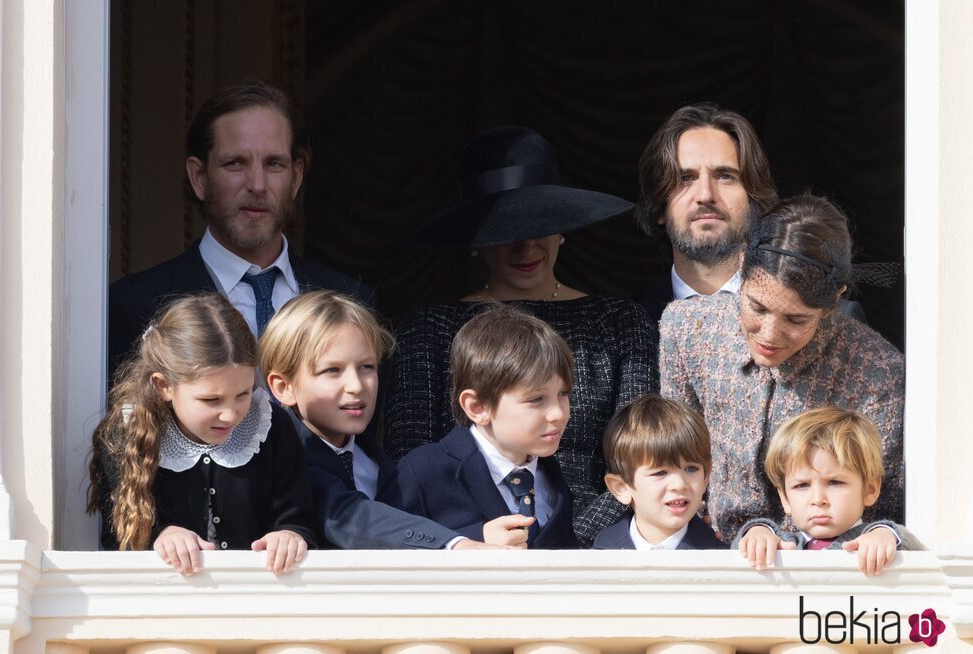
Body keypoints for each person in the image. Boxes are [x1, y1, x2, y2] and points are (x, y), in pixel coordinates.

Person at [385, 125, 658, 546]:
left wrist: (564, 540)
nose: (525, 247)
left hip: (601, 550)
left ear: (563, 227)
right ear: (477, 240)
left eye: (540, 227)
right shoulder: (429, 331)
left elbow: (639, 454)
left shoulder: (620, 323)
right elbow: (412, 467)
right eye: (507, 232)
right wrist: (476, 542)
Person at [660, 194, 904, 543]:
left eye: (795, 319)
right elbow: (673, 458)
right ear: (740, 265)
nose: (770, 335)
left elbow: (883, 508)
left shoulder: (877, 372)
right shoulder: (687, 331)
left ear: (836, 299)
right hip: (703, 555)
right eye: (757, 308)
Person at [108, 81, 373, 378]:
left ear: (296, 178)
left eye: (274, 164)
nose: (257, 185)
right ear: (199, 177)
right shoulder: (133, 307)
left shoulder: (355, 302)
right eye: (235, 163)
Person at [87, 293, 317, 576]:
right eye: (211, 400)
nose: (231, 414)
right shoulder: (127, 432)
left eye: (243, 394)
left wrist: (289, 535)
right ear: (164, 386)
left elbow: (298, 513)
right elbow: (116, 536)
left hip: (256, 598)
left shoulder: (271, 426)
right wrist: (160, 536)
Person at [260, 290, 504, 549]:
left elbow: (404, 522)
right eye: (332, 370)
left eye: (367, 366)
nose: (356, 386)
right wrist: (454, 544)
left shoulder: (373, 457)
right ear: (283, 387)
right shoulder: (282, 456)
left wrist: (477, 533)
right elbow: (349, 517)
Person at [635, 103, 865, 323]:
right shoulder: (626, 330)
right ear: (659, 206)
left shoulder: (832, 318)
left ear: (753, 197)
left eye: (724, 176)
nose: (705, 195)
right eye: (684, 178)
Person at [390, 305, 579, 549]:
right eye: (535, 399)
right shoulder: (424, 471)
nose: (558, 413)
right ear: (477, 407)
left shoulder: (551, 473)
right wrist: (470, 539)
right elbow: (381, 544)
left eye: (563, 394)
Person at [734, 407, 920, 576]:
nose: (818, 499)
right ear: (785, 498)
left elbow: (910, 544)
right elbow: (734, 552)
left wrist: (885, 536)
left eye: (834, 482)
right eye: (802, 485)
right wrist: (757, 533)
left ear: (870, 489)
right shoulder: (785, 545)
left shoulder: (869, 538)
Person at [593, 394, 726, 551]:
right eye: (660, 473)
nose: (679, 484)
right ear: (621, 487)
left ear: (706, 476)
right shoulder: (598, 558)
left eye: (691, 469)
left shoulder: (724, 561)